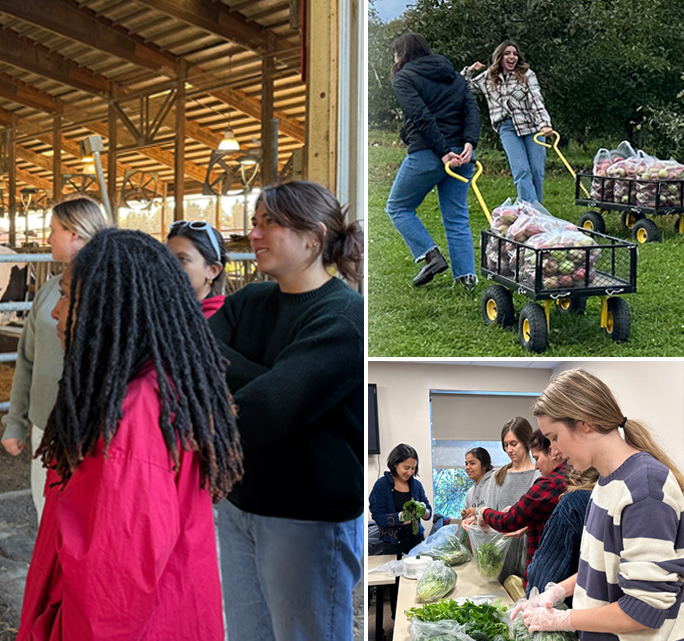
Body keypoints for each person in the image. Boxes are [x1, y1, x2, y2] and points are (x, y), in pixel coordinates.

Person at [16, 229, 243, 639]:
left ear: (110, 307)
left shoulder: (133, 416)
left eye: (67, 296)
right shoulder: (150, 389)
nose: (55, 311)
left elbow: (113, 593)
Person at [210, 180, 364, 641]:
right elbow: (186, 362)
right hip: (239, 506)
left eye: (269, 223)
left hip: (308, 521)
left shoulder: (345, 318)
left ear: (312, 238)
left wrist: (239, 379)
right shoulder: (247, 302)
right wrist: (274, 376)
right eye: (255, 223)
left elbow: (265, 412)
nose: (254, 235)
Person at [516, 369, 684, 637]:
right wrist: (559, 590)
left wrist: (562, 619)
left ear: (585, 422)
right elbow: (602, 569)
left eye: (554, 438)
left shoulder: (645, 487)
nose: (554, 451)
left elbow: (644, 609)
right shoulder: (604, 483)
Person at [1, 196, 107, 520]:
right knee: (46, 512)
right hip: (44, 425)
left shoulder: (111, 291)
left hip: (92, 435)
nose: (47, 238)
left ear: (76, 234)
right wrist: (15, 423)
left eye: (53, 230)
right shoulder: (49, 290)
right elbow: (27, 359)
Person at [384, 33, 481, 289]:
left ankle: (430, 255)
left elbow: (421, 116)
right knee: (457, 215)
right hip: (463, 154)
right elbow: (471, 109)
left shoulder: (404, 77)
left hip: (429, 153)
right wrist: (469, 143)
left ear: (401, 54)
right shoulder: (454, 76)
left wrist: (442, 151)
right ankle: (466, 278)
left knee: (398, 207)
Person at [464, 41, 553, 204]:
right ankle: (530, 213)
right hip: (507, 128)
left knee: (536, 170)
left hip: (533, 126)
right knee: (521, 170)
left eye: (514, 53)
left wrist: (544, 124)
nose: (512, 57)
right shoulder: (488, 77)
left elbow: (536, 99)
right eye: (507, 53)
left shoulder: (526, 74)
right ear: (499, 57)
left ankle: (537, 210)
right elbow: (463, 86)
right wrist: (470, 70)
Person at [478, 429, 569, 583]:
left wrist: (483, 511)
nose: (536, 466)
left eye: (537, 458)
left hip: (546, 573)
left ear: (552, 451)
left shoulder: (550, 483)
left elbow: (507, 521)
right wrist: (528, 524)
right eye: (506, 445)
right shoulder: (569, 478)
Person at [524, 466, 599, 596]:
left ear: (572, 482)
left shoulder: (572, 502)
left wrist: (535, 598)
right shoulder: (614, 497)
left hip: (573, 604)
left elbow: (545, 570)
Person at [370, 444, 434, 555]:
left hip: (417, 543)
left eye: (413, 468)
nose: (410, 472)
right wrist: (400, 517)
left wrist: (424, 511)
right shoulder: (381, 485)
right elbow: (378, 517)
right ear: (395, 464)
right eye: (406, 468)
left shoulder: (416, 485)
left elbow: (428, 514)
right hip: (392, 546)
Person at [166, 218, 229, 317]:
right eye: (167, 258)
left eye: (183, 259)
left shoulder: (217, 321)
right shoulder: (165, 312)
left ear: (213, 271)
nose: (169, 267)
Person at [460, 446, 494, 520]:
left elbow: (499, 513)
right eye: (466, 464)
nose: (467, 467)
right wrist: (466, 515)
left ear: (485, 465)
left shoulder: (494, 486)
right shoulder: (470, 492)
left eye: (472, 463)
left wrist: (476, 511)